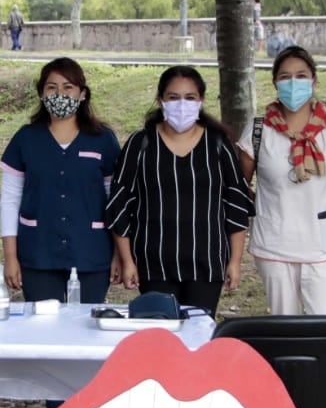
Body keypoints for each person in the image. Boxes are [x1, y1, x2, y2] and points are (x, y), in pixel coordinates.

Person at [238, 45, 326, 408]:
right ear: (275, 83)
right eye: (285, 76)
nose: (294, 83)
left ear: (314, 80)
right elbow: (241, 187)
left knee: (324, 332)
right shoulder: (258, 131)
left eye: (301, 75)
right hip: (274, 244)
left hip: (324, 246)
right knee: (284, 333)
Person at [0, 57, 120, 408]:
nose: (60, 94)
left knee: (87, 331)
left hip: (92, 249)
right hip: (38, 250)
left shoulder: (103, 139)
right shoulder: (27, 139)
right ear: (41, 93)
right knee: (45, 333)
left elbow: (116, 201)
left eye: (68, 87)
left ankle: (84, 407)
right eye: (52, 87)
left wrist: (119, 254)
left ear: (82, 94)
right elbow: (10, 199)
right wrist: (11, 256)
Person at [105, 65, 253, 317]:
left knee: (197, 336)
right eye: (173, 97)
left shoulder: (218, 145)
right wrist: (127, 260)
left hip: (207, 264)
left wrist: (235, 262)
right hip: (153, 264)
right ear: (160, 100)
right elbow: (120, 206)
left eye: (190, 97)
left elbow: (236, 205)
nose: (181, 104)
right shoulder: (140, 144)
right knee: (161, 337)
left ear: (201, 101)